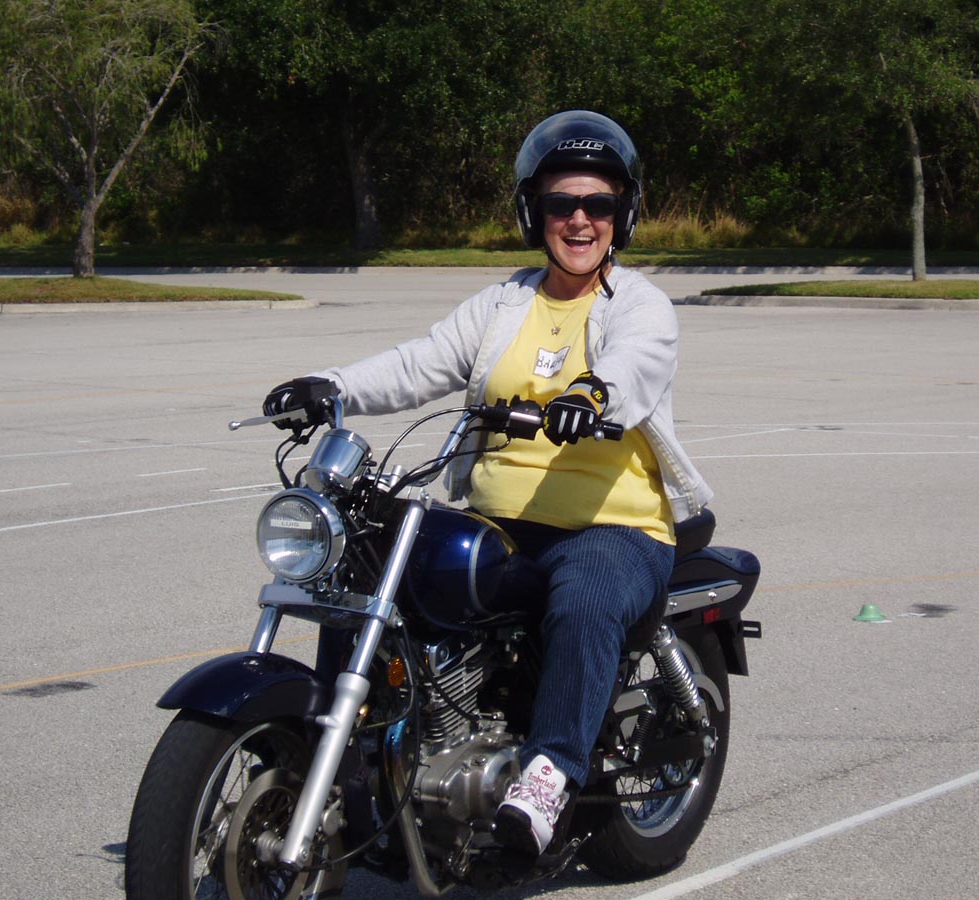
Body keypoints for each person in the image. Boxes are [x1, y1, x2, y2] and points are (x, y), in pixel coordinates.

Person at [263, 110, 712, 857]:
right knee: (365, 558)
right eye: (561, 202)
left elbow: (637, 363)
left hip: (614, 527)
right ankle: (351, 758)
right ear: (533, 211)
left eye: (598, 204)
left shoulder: (640, 304)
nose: (579, 219)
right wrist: (331, 386)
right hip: (499, 522)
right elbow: (420, 362)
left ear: (623, 214)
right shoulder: (505, 303)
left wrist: (591, 394)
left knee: (587, 596)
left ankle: (549, 775)